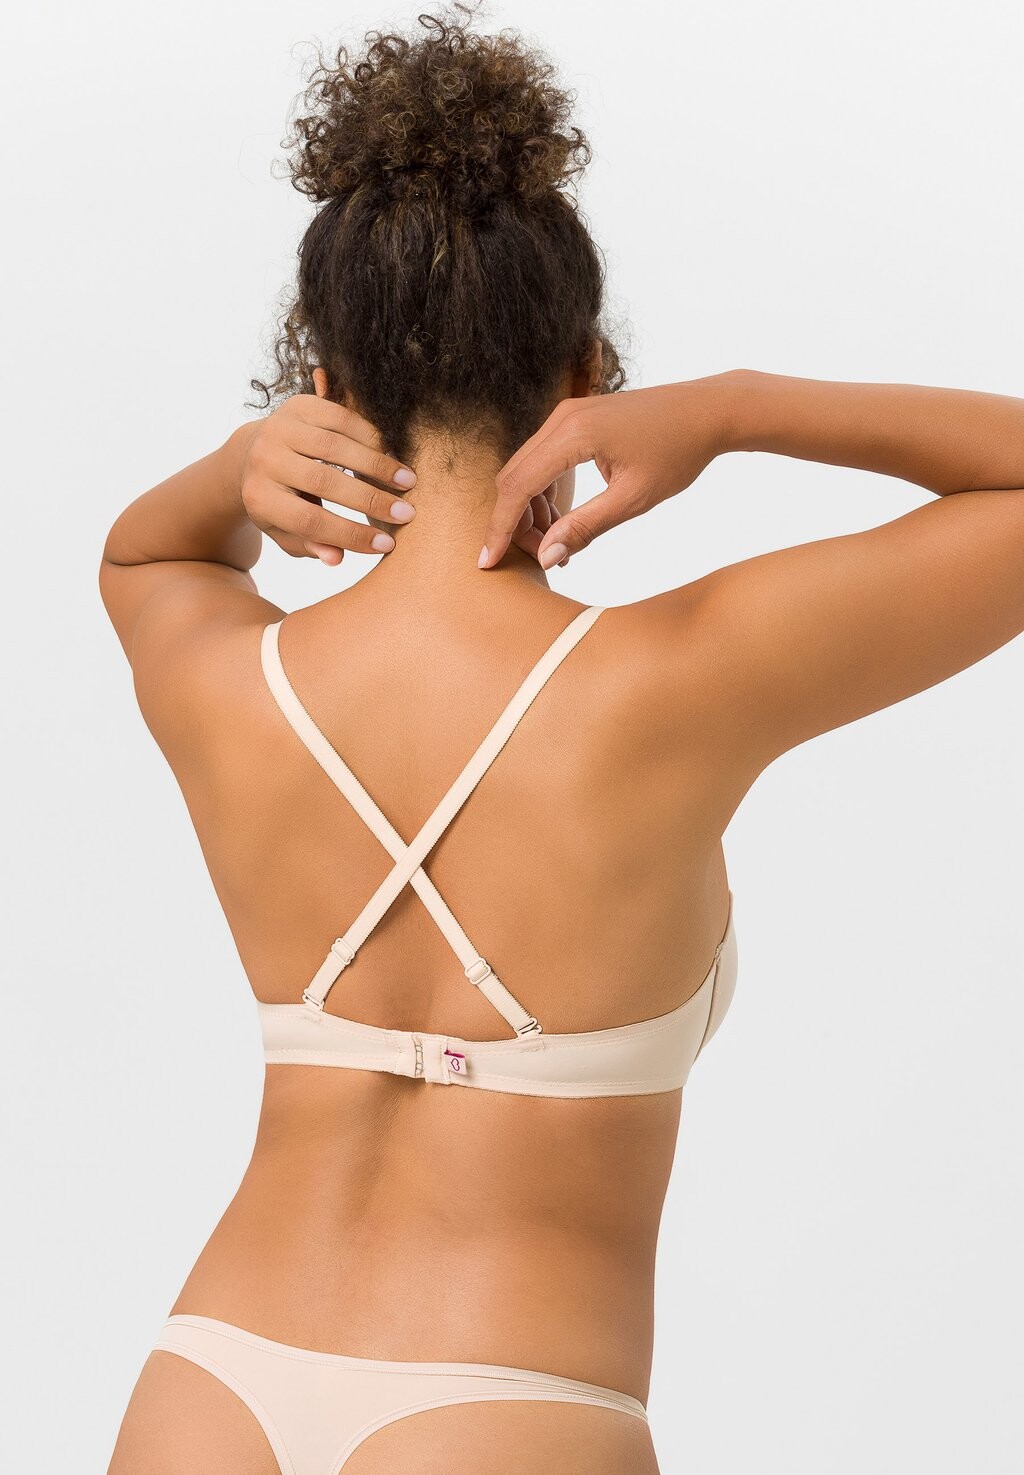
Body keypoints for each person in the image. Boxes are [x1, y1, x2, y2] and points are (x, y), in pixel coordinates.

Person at [100, 11, 1024, 1475]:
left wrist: (232, 469)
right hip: (505, 1407)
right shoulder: (675, 680)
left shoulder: (233, 678)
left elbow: (144, 558)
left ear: (326, 389)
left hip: (205, 1387)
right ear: (586, 376)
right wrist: (735, 409)